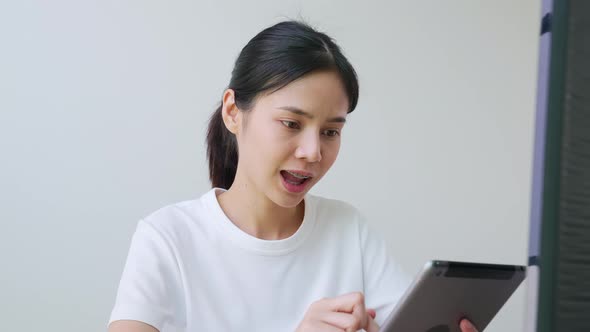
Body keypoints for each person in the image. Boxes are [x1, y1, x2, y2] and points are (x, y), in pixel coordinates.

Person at [107, 20, 479, 332]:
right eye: (291, 123)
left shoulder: (348, 230)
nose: (313, 152)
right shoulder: (168, 239)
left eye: (331, 131)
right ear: (233, 112)